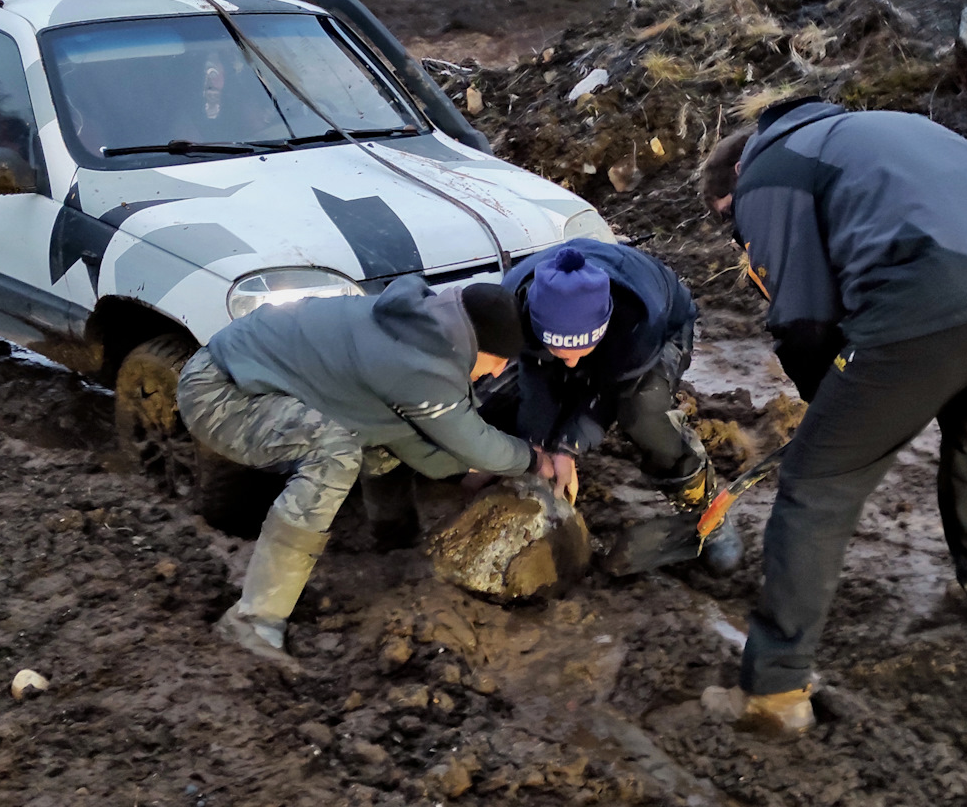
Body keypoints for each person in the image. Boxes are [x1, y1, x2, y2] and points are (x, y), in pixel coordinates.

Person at [700, 98, 967, 735]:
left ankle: (773, 691)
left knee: (817, 487)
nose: (737, 236)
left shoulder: (769, 169)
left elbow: (803, 318)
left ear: (737, 175)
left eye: (729, 220)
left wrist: (831, 411)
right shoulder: (889, 127)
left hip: (935, 295)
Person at [177, 276, 554, 665]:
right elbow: (475, 443)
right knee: (334, 456)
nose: (498, 373)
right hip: (221, 392)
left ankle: (396, 548)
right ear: (477, 345)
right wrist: (531, 458)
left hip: (259, 378)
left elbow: (407, 437)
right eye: (498, 360)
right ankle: (254, 621)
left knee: (379, 442)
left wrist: (463, 473)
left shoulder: (423, 328)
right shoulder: (419, 365)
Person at [494, 239, 739, 573]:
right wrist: (536, 446)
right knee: (524, 393)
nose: (570, 364)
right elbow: (535, 379)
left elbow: (609, 393)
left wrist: (568, 448)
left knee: (642, 411)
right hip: (569, 334)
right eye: (560, 351)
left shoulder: (639, 319)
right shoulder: (513, 306)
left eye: (582, 351)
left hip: (665, 324)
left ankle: (708, 509)